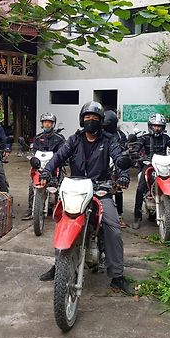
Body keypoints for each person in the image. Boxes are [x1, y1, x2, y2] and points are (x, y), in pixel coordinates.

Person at [38, 101, 133, 294]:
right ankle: (60, 266)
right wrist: (47, 171)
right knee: (62, 221)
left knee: (112, 228)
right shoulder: (74, 139)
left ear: (100, 121)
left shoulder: (108, 140)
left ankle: (117, 275)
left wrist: (123, 173)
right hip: (76, 188)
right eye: (87, 117)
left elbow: (118, 157)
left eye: (95, 118)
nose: (91, 120)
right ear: (82, 120)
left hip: (100, 189)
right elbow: (58, 157)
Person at [132, 113, 170, 230]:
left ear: (163, 127)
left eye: (159, 126)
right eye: (154, 126)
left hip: (164, 165)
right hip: (149, 164)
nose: (157, 128)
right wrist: (135, 152)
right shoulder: (144, 138)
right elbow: (137, 147)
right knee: (141, 188)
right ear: (150, 126)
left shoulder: (166, 138)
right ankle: (137, 217)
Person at [22, 112, 65, 220]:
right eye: (45, 122)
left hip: (54, 167)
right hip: (40, 167)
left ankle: (61, 208)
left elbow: (63, 152)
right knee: (31, 185)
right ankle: (31, 208)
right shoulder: (37, 138)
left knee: (62, 185)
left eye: (49, 122)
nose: (47, 124)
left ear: (53, 124)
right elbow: (34, 151)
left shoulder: (59, 138)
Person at [102, 109, 128, 229]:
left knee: (119, 189)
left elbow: (124, 147)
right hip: (103, 162)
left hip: (116, 162)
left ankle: (119, 215)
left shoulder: (120, 135)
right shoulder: (99, 134)